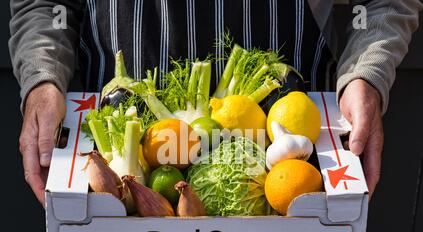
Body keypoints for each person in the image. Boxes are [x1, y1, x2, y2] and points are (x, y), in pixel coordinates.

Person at [9, 0, 422, 205]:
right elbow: (43, 5)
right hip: (120, 174)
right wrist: (42, 80)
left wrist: (366, 74)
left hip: (281, 187)